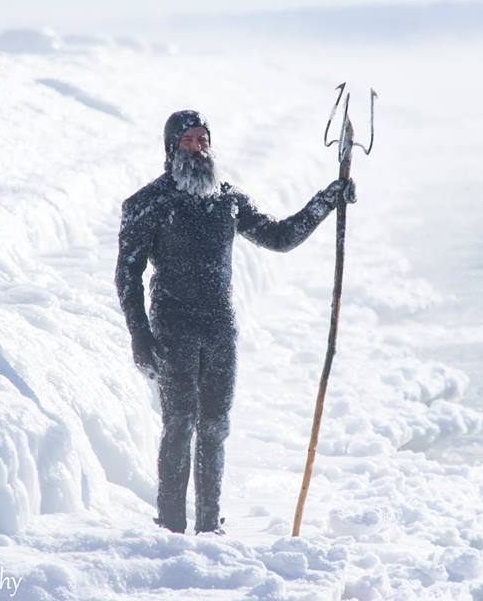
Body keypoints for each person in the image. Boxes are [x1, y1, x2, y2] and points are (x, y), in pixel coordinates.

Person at [115, 109, 356, 534]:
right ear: (171, 148)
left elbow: (279, 237)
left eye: (203, 139)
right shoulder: (147, 203)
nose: (197, 147)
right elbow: (127, 275)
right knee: (179, 424)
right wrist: (141, 336)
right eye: (188, 141)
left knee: (215, 426)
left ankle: (209, 526)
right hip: (173, 327)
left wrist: (326, 201)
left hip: (220, 327)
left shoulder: (227, 199)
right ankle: (170, 527)